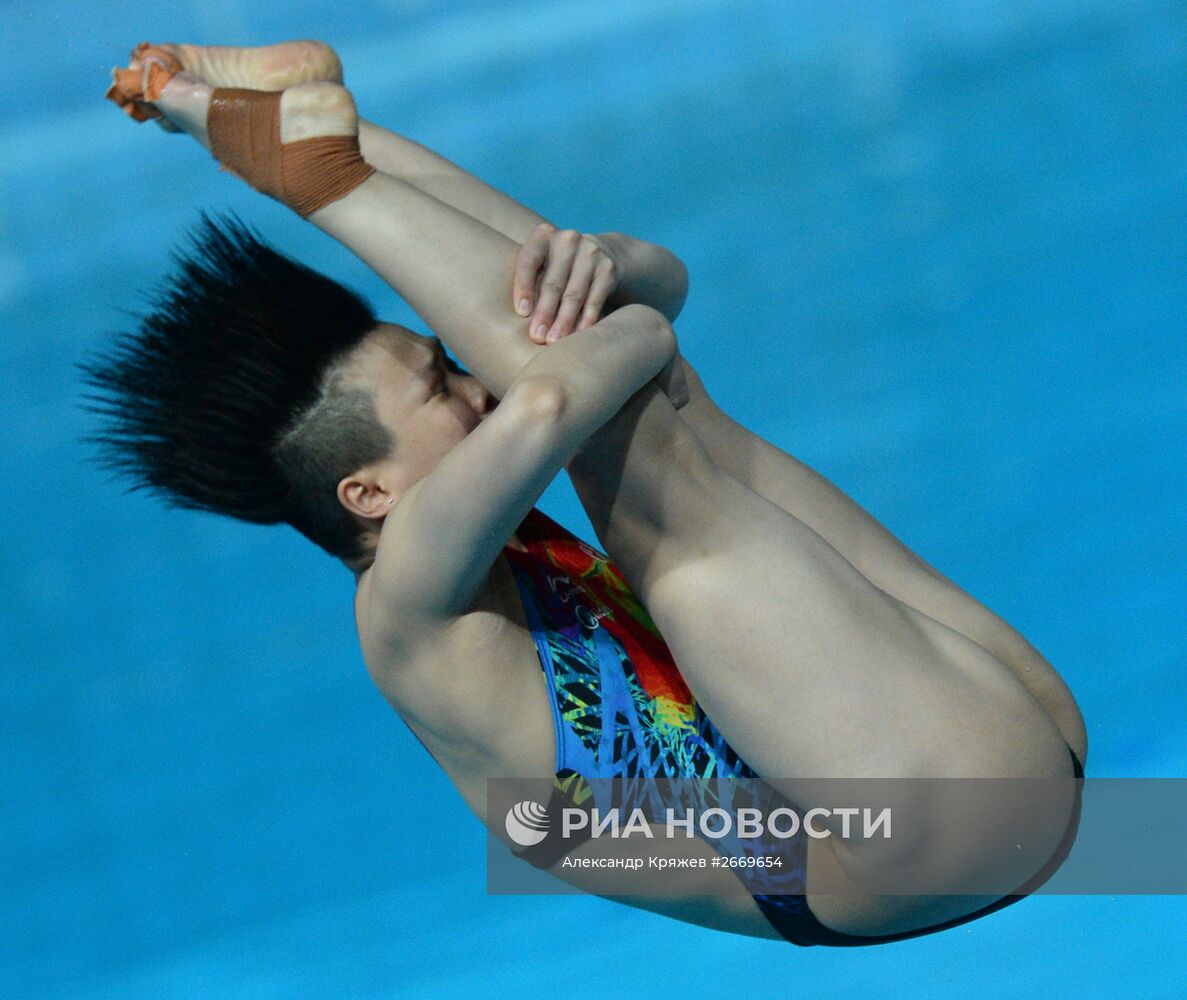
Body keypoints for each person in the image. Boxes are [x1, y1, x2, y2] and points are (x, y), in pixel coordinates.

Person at [89, 40, 1087, 946]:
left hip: (987, 767)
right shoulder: (403, 603)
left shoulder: (474, 528)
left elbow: (614, 332)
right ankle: (321, 171)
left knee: (673, 426)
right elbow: (560, 391)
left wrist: (614, 270)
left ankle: (327, 132)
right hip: (915, 841)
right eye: (439, 389)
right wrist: (633, 303)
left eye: (449, 364)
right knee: (642, 453)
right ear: (367, 492)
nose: (473, 386)